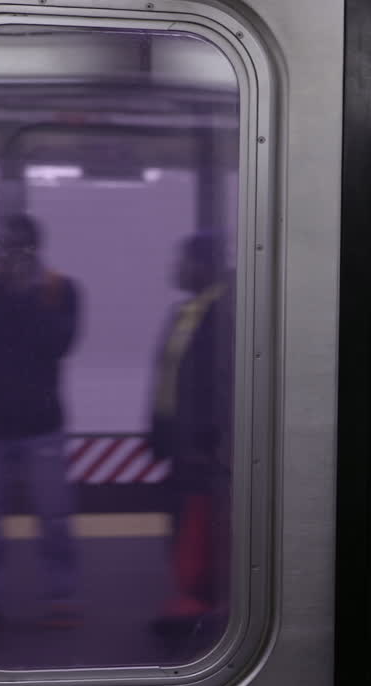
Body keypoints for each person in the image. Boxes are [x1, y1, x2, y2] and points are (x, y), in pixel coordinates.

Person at [0, 213, 82, 629]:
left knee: (54, 516)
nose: (11, 254)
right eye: (6, 245)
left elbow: (59, 345)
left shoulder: (60, 290)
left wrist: (26, 294)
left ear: (36, 248)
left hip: (42, 424)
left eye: (20, 246)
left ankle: (61, 595)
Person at [148, 232, 234, 634]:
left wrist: (209, 436)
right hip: (181, 441)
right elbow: (169, 377)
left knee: (202, 523)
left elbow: (219, 380)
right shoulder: (185, 313)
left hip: (204, 445)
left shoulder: (223, 311)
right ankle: (189, 598)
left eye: (181, 261)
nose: (175, 269)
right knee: (185, 520)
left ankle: (200, 604)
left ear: (201, 265)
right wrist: (158, 429)